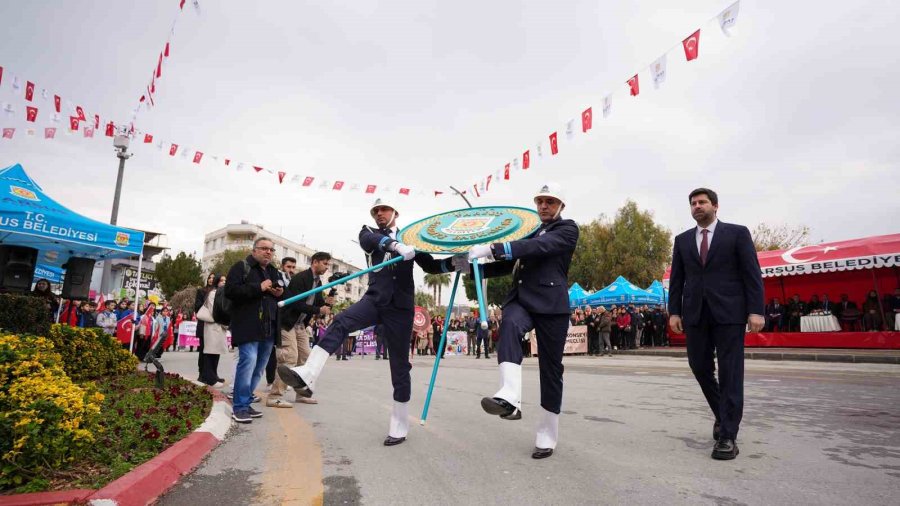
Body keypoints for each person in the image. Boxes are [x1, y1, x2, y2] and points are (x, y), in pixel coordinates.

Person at [278, 198, 453, 446]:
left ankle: (400, 424)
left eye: (384, 210)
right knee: (340, 322)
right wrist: (395, 245)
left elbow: (433, 267)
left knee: (400, 366)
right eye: (376, 211)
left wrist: (459, 262)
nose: (379, 214)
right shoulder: (369, 232)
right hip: (375, 299)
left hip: (401, 308)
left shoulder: (412, 236)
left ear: (395, 212)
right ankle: (308, 372)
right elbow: (370, 242)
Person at [464, 182, 579, 460]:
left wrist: (493, 247)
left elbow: (538, 247)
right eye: (540, 201)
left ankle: (547, 435)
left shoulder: (567, 229)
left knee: (551, 370)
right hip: (521, 301)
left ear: (560, 206)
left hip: (552, 305)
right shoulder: (528, 232)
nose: (543, 206)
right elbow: (506, 263)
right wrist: (469, 264)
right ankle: (509, 398)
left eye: (550, 202)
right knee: (510, 325)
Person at [668, 188, 764, 461]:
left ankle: (728, 436)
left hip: (730, 313)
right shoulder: (683, 240)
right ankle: (723, 414)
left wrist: (756, 310)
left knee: (731, 372)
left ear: (715, 206)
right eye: (693, 204)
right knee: (699, 366)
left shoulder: (737, 234)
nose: (697, 207)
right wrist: (674, 311)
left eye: (702, 202)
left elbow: (752, 274)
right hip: (695, 313)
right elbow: (677, 279)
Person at [225, 238, 284, 423]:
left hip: (269, 324)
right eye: (264, 248)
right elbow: (231, 291)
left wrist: (278, 293)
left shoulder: (273, 271)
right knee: (248, 361)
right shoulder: (241, 267)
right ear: (254, 250)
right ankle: (239, 406)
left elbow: (278, 293)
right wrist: (258, 287)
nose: (268, 252)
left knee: (259, 368)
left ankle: (246, 401)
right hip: (248, 324)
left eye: (271, 250)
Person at [270, 252, 333, 408]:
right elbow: (295, 303)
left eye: (328, 264)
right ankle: (275, 396)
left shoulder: (317, 282)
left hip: (300, 325)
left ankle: (301, 393)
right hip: (288, 323)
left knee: (306, 358)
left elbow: (318, 303)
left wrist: (327, 302)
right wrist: (318, 310)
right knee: (289, 358)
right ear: (315, 262)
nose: (327, 267)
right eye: (325, 264)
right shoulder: (301, 278)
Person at [267, 257, 298, 390]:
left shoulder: (294, 280)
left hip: (289, 321)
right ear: (282, 266)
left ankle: (281, 381)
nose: (291, 270)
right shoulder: (277, 277)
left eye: (293, 267)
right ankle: (271, 381)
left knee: (281, 353)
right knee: (275, 354)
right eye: (288, 267)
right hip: (277, 318)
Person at [198, 275, 228, 386]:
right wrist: (225, 322)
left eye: (225, 280)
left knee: (216, 353)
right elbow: (214, 311)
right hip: (213, 326)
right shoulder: (212, 293)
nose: (224, 282)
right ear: (216, 282)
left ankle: (214, 376)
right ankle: (210, 379)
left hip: (219, 326)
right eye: (221, 280)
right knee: (210, 353)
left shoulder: (222, 294)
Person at [194, 273, 216, 379]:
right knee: (203, 350)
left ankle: (213, 374)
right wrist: (208, 300)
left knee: (214, 351)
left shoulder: (218, 292)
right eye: (209, 278)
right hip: (203, 324)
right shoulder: (201, 291)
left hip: (215, 325)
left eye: (213, 278)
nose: (211, 280)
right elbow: (197, 307)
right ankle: (201, 373)